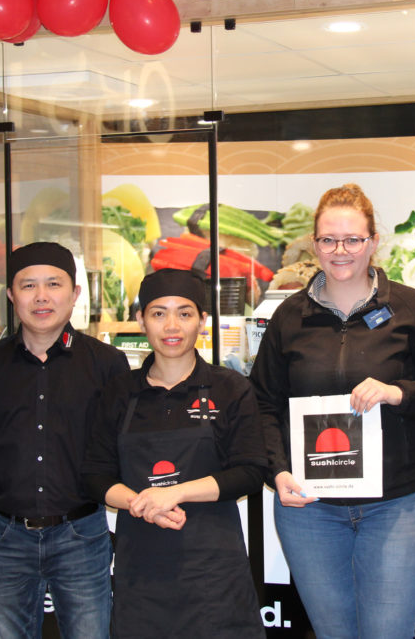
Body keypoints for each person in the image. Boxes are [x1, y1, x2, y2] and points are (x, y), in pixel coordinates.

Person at [250, 183, 415, 639]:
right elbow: (262, 404)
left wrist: (397, 392)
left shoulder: (409, 310)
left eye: (353, 239)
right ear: (314, 244)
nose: (340, 251)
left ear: (374, 242)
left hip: (399, 507)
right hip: (311, 511)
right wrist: (276, 472)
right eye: (327, 240)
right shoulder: (289, 318)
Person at [81, 268, 267, 638]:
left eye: (184, 313)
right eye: (158, 313)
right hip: (142, 572)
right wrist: (140, 503)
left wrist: (175, 493)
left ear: (203, 320)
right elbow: (95, 475)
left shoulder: (231, 388)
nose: (171, 326)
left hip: (214, 572)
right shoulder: (118, 393)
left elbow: (250, 471)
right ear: (140, 321)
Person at [0, 242, 129, 638]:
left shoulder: (107, 363)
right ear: (11, 295)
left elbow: (118, 445)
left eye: (54, 284)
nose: (41, 297)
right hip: (5, 535)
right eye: (28, 286)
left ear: (74, 294)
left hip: (81, 532)